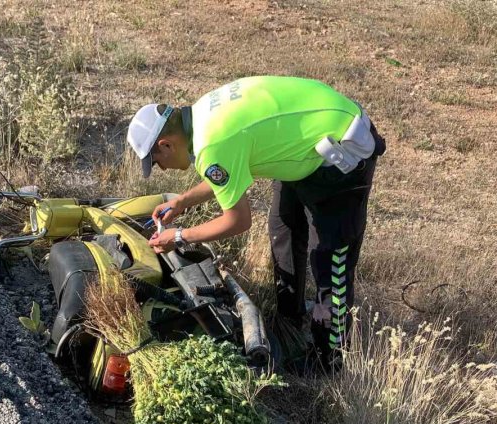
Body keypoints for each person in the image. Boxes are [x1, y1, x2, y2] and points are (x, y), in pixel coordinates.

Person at [126, 76, 385, 369]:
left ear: (166, 144)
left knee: (330, 260)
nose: (160, 168)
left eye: (156, 161)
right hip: (306, 146)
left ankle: (330, 358)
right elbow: (227, 173)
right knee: (283, 228)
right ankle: (291, 317)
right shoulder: (201, 115)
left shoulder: (213, 142)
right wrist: (182, 201)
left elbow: (237, 221)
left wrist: (180, 236)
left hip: (341, 154)